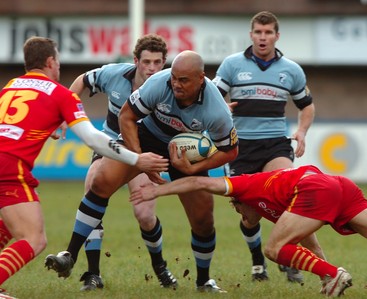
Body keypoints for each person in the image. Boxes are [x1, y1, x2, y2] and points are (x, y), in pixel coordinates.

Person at [45, 50, 239, 293]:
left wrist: (195, 167)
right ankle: (70, 254)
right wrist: (138, 159)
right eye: (174, 78)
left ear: (201, 78)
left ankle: (203, 281)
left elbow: (230, 151)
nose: (176, 84)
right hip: (145, 137)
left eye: (184, 80)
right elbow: (127, 116)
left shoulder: (216, 110)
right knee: (101, 181)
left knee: (203, 218)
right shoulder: (159, 82)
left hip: (184, 154)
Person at [0, 36, 168, 294]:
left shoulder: (10, 87)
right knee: (34, 238)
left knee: (9, 224)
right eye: (58, 62)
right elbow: (93, 139)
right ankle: (91, 270)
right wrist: (137, 159)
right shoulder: (60, 94)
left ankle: (158, 267)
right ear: (50, 62)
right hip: (9, 168)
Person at [131, 162, 367, 297]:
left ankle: (335, 274)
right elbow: (311, 244)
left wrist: (159, 189)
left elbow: (199, 183)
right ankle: (331, 277)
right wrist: (323, 274)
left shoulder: (245, 187)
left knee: (273, 249)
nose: (240, 214)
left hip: (315, 187)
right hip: (339, 186)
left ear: (239, 202)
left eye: (237, 209)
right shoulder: (284, 212)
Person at [212, 10, 315, 283]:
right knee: (250, 215)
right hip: (240, 147)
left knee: (290, 195)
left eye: (268, 32)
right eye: (258, 32)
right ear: (251, 35)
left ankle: (289, 257)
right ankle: (258, 261)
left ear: (276, 36)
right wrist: (221, 107)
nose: (263, 37)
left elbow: (307, 106)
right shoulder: (232, 65)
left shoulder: (291, 70)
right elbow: (211, 97)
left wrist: (302, 132)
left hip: (275, 145)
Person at [62, 34, 169, 291]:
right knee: (92, 191)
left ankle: (160, 267)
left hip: (144, 153)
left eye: (157, 62)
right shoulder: (114, 75)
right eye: (147, 62)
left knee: (144, 215)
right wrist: (65, 113)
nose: (152, 68)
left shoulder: (170, 84)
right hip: (110, 147)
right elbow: (81, 81)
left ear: (165, 63)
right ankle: (93, 274)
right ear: (136, 61)